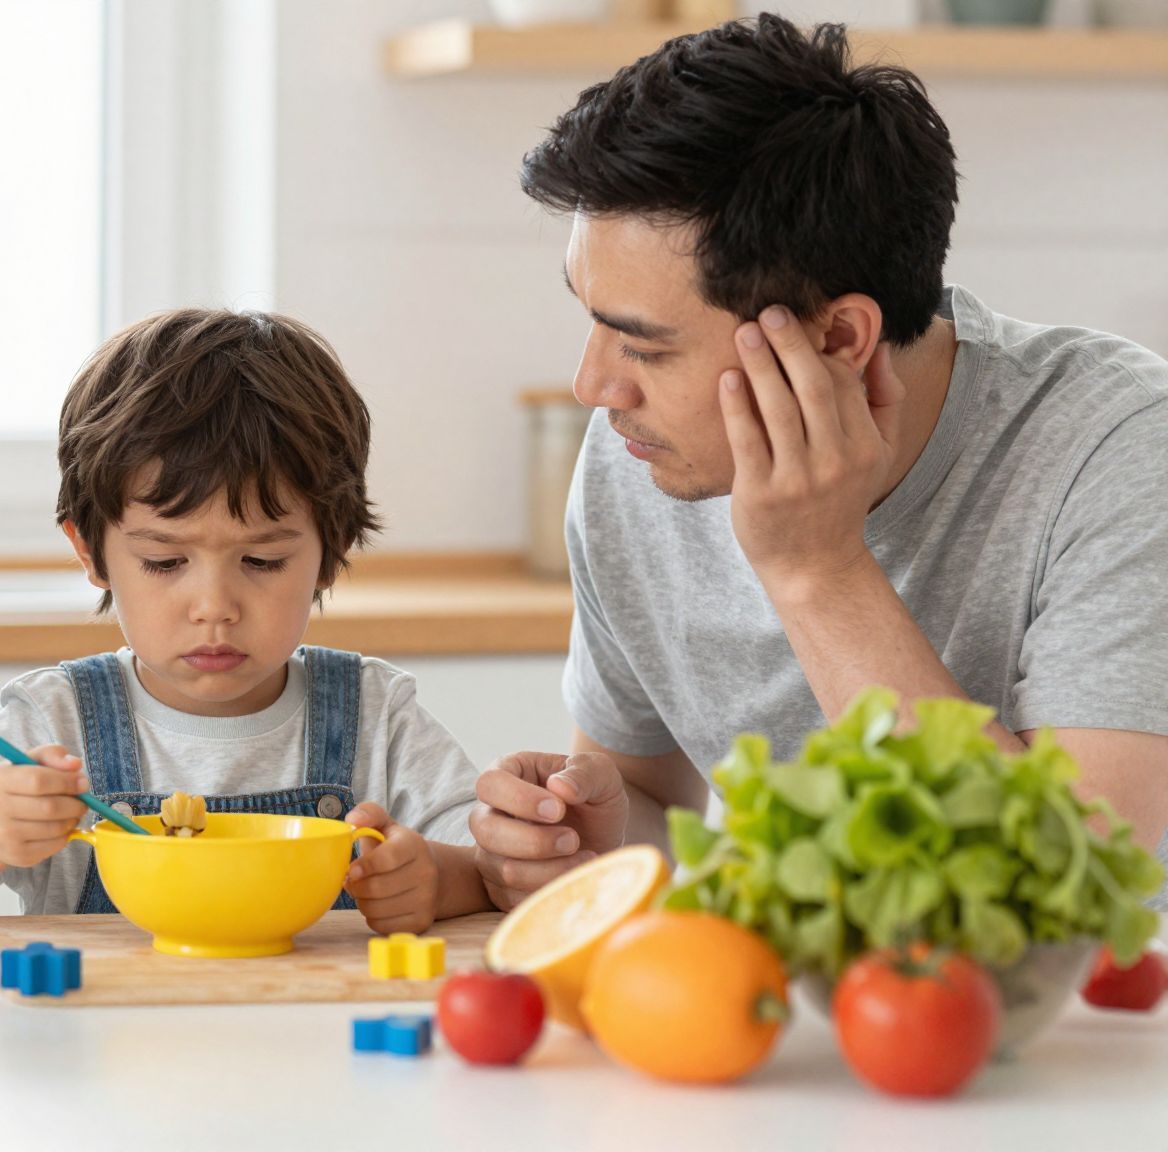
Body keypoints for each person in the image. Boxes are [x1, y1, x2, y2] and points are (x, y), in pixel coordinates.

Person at [469, 15, 1168, 913]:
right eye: (592, 322)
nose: (593, 385)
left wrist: (818, 567)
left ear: (837, 338)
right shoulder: (644, 455)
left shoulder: (1121, 452)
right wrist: (598, 838)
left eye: (644, 347)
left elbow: (1057, 888)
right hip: (802, 1025)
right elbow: (644, 790)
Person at [0, 309, 491, 932]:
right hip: (101, 1039)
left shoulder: (377, 717)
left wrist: (434, 877)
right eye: (163, 561)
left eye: (263, 560)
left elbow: (493, 869)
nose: (214, 605)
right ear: (90, 551)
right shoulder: (57, 719)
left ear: (332, 551)